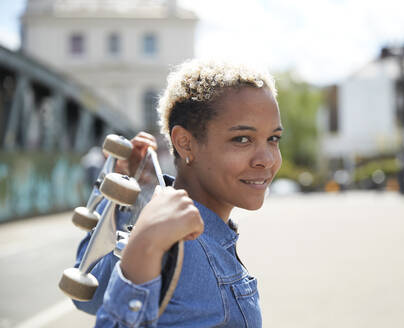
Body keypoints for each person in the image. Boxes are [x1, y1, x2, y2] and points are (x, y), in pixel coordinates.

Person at [73, 59, 283, 327]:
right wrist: (143, 242)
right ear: (185, 143)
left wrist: (132, 198)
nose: (266, 159)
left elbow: (87, 290)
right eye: (242, 139)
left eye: (273, 139)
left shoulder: (161, 224)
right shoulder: (181, 244)